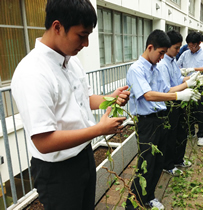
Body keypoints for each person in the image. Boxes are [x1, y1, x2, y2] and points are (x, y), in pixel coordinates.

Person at [11, 1, 130, 209]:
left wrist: (110, 98)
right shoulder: (32, 72)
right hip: (57, 171)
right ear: (57, 27)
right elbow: (43, 141)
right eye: (82, 35)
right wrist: (99, 130)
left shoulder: (71, 61)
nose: (86, 44)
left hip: (83, 155)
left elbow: (84, 99)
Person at [125, 29, 200, 210]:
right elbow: (148, 95)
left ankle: (148, 197)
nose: (162, 57)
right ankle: (132, 203)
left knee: (158, 162)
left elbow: (165, 90)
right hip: (147, 122)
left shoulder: (154, 68)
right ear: (150, 47)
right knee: (146, 165)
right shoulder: (136, 69)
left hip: (161, 119)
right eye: (160, 53)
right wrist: (178, 97)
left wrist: (185, 86)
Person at [157, 30, 193, 176]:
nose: (179, 51)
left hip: (178, 102)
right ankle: (168, 164)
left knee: (182, 131)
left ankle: (179, 159)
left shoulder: (172, 61)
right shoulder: (162, 64)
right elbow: (167, 90)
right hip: (169, 105)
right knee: (170, 136)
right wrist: (187, 85)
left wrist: (191, 78)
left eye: (179, 47)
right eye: (176, 48)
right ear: (168, 46)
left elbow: (178, 79)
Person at [177, 32, 203, 146]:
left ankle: (201, 134)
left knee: (202, 109)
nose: (191, 48)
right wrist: (182, 71)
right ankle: (191, 131)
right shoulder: (185, 54)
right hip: (188, 83)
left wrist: (193, 69)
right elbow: (177, 66)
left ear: (199, 43)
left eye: (194, 46)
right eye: (189, 45)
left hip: (202, 84)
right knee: (188, 108)